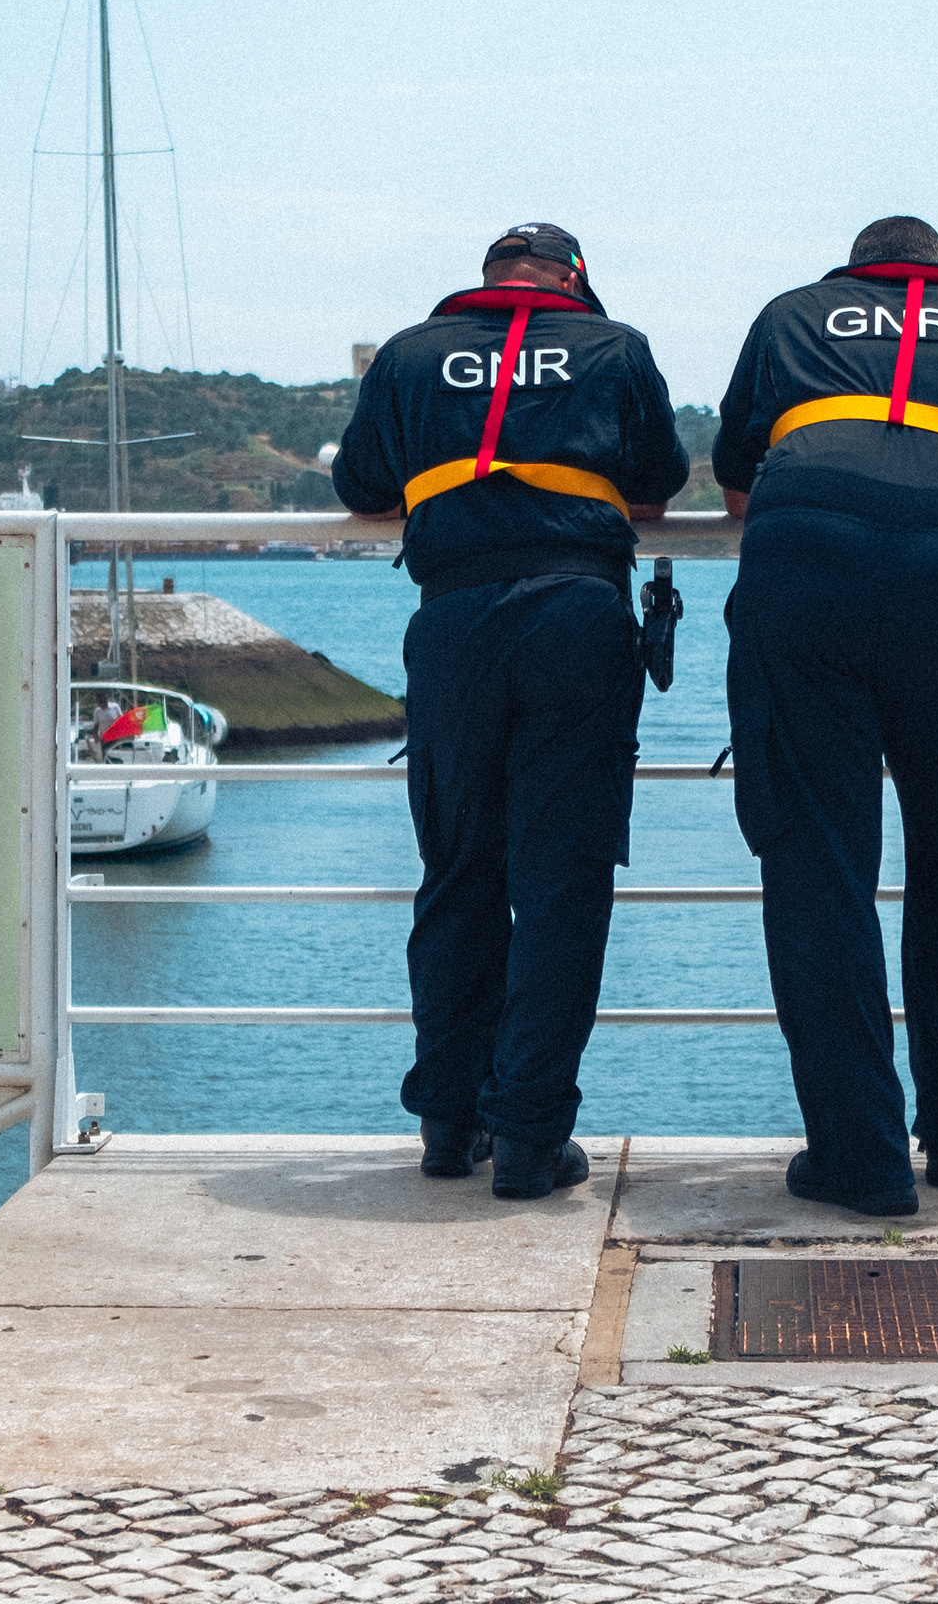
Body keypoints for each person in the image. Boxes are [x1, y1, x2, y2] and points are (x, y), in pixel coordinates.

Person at [708, 215, 938, 1219]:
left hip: (806, 566)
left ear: (857, 266)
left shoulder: (791, 315)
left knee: (815, 863)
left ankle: (859, 1156)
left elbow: (739, 484)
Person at [334, 222, 691, 1200]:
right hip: (575, 616)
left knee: (457, 870)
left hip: (454, 626)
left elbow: (361, 485)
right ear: (574, 279)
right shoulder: (613, 348)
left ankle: (450, 1120)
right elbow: (660, 483)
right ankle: (530, 1133)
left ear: (486, 279)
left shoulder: (409, 353)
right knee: (562, 881)